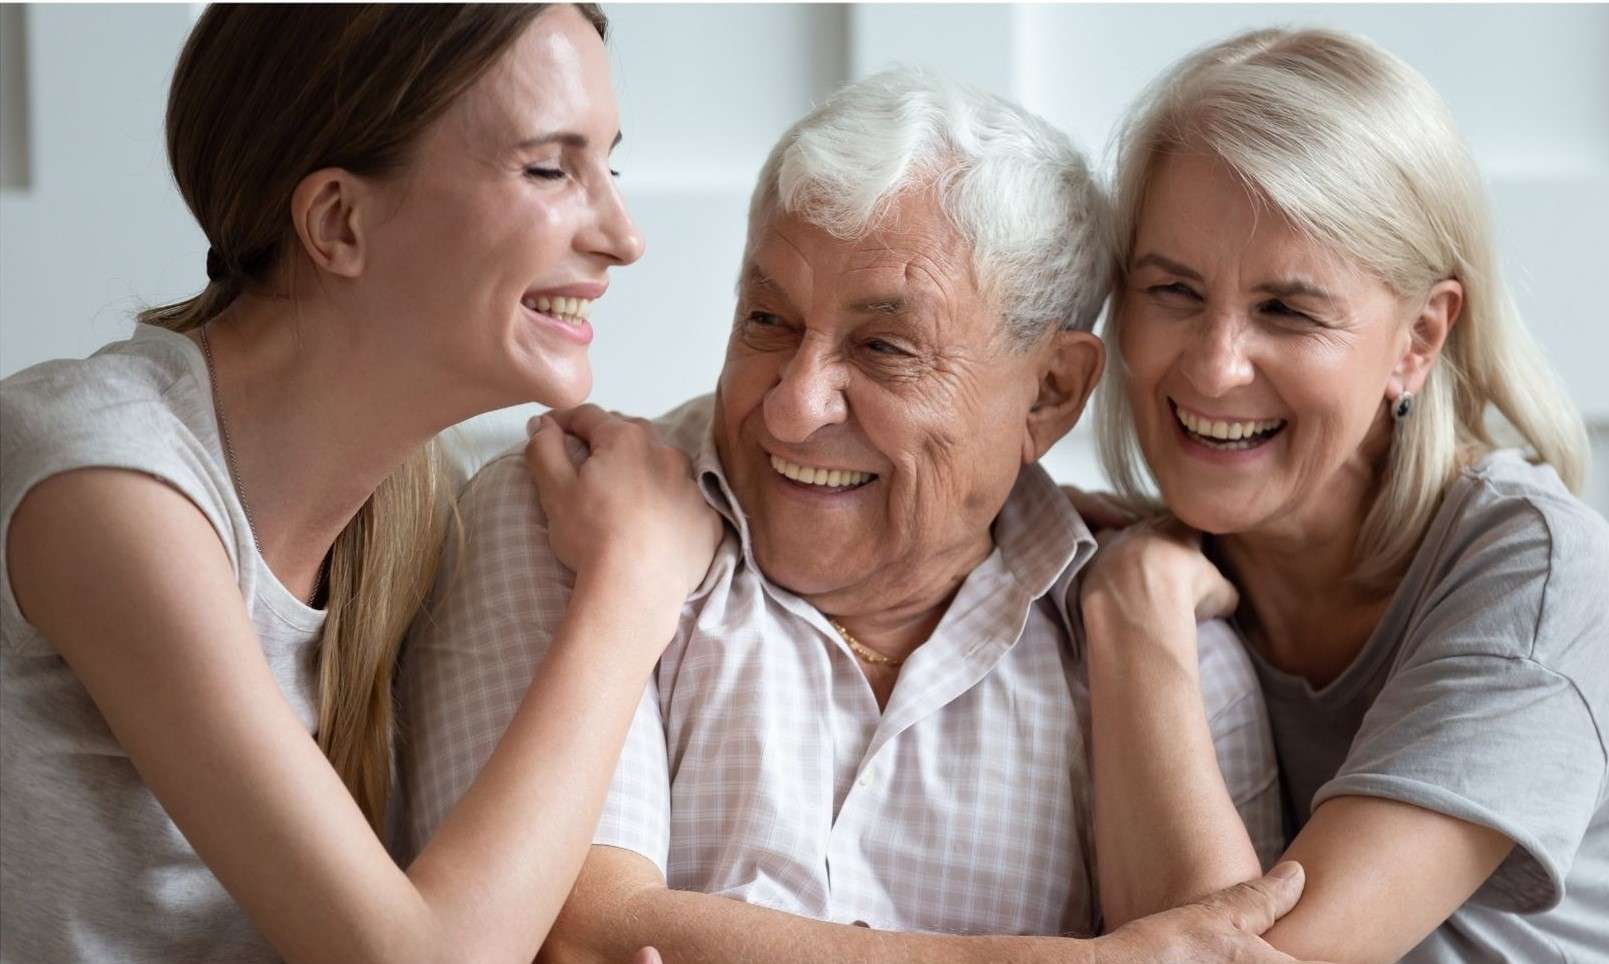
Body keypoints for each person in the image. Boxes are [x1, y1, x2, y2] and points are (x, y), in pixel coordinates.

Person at [401, 67, 1314, 963]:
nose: (793, 407)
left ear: (1051, 392)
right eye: (768, 321)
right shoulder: (567, 519)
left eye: (883, 348)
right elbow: (568, 933)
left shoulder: (1166, 651)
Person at [0, 5, 715, 962]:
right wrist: (632, 587)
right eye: (550, 167)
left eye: (608, 166)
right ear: (338, 221)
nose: (623, 238)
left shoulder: (416, 503)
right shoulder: (108, 488)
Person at [1076, 26, 1609, 963]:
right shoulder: (1117, 544)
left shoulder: (1537, 574)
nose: (1213, 364)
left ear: (1417, 339)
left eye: (1286, 309)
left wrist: (1136, 615)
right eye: (1172, 290)